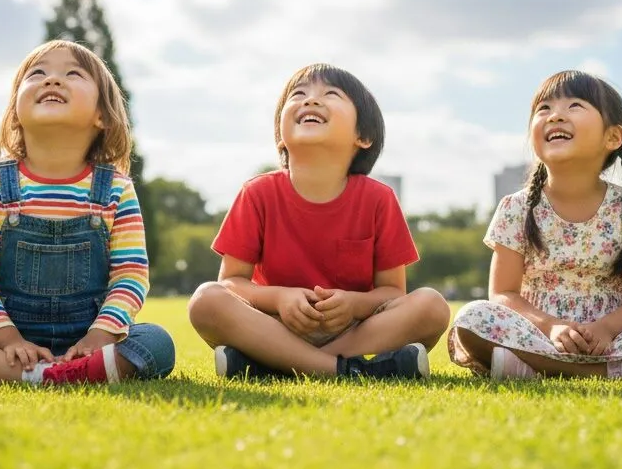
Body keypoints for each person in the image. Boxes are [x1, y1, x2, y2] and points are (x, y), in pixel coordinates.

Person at [0, 40, 175, 386]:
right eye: (37, 74)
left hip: (88, 341)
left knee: (157, 343)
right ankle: (48, 375)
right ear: (16, 111)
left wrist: (101, 336)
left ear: (102, 116)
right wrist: (9, 340)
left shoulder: (116, 189)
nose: (52, 80)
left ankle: (12, 375)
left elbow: (130, 276)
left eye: (73, 74)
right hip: (6, 342)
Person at [449, 70, 622, 380]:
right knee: (473, 319)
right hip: (538, 333)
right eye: (544, 109)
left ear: (612, 137)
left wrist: (605, 329)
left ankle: (536, 369)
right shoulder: (515, 208)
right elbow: (503, 294)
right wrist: (552, 326)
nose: (555, 116)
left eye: (574, 106)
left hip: (615, 336)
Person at [188, 63, 451, 380]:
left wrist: (352, 305)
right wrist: (282, 298)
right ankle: (348, 371)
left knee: (432, 306)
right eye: (298, 94)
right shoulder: (257, 193)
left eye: (330, 94)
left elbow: (393, 293)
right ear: (280, 136)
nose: (310, 100)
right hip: (273, 325)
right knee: (206, 300)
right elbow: (231, 283)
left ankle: (278, 367)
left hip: (355, 329)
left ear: (363, 136)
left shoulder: (379, 199)